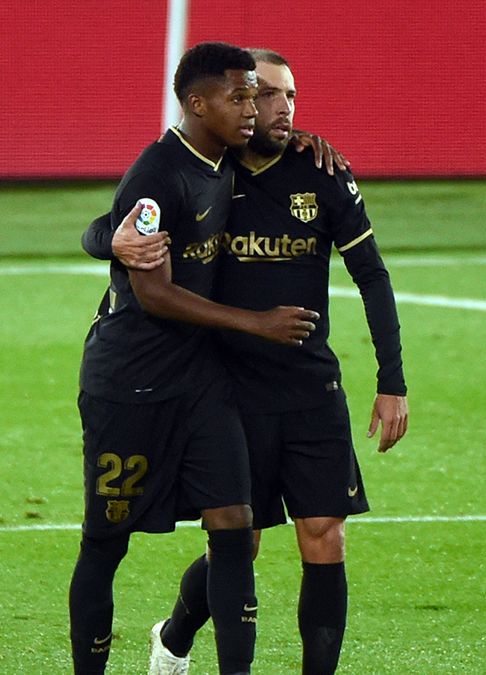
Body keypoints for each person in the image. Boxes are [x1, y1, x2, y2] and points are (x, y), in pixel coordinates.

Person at [85, 48, 408, 675]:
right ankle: (175, 635)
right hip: (229, 385)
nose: (281, 108)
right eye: (266, 95)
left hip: (311, 383)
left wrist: (391, 381)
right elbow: (111, 222)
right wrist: (104, 240)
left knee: (326, 534)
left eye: (291, 96)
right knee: (242, 544)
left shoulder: (322, 171)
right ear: (236, 100)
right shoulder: (209, 165)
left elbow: (371, 273)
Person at [71, 42, 321, 675]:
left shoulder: (226, 156)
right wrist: (255, 323)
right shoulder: (160, 172)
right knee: (105, 544)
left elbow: (277, 142)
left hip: (202, 382)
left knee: (236, 528)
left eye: (256, 95)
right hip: (128, 383)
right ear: (196, 103)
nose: (253, 108)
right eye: (239, 97)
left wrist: (312, 143)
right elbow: (151, 292)